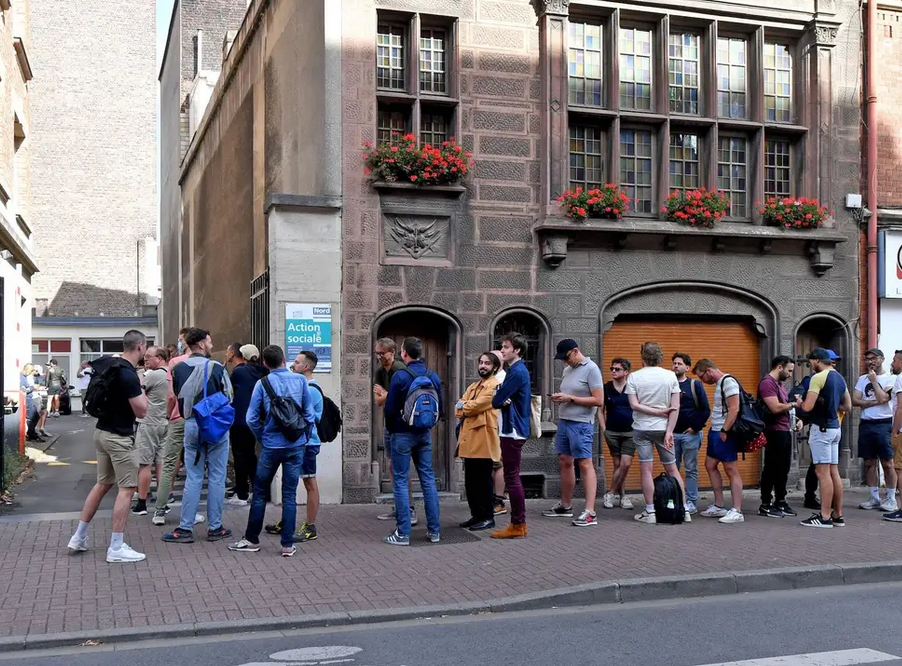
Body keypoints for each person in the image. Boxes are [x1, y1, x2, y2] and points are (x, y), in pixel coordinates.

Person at [66, 330, 148, 563]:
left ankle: (79, 536)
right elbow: (142, 410)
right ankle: (116, 546)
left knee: (103, 483)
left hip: (101, 431)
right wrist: (141, 387)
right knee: (127, 489)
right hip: (120, 437)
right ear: (140, 347)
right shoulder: (129, 375)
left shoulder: (107, 362)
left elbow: (84, 367)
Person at [229, 345, 316, 556]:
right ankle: (287, 544)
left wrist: (263, 437)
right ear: (284, 359)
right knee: (289, 494)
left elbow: (250, 418)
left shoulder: (263, 383)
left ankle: (252, 539)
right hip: (295, 445)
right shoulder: (300, 381)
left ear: (265, 364)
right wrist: (303, 437)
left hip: (271, 445)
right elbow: (309, 414)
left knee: (259, 493)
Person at [162, 328, 234, 544]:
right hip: (215, 426)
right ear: (201, 344)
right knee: (216, 476)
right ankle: (215, 527)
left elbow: (175, 396)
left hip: (191, 424)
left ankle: (185, 528)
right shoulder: (217, 368)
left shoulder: (177, 368)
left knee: (193, 476)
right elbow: (229, 396)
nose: (212, 346)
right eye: (210, 342)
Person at [382, 337, 443, 545]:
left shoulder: (400, 376)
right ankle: (434, 532)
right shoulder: (432, 375)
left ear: (404, 353)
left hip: (401, 434)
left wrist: (393, 429)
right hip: (424, 434)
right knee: (427, 480)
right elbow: (440, 409)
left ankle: (403, 533)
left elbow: (389, 410)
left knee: (400, 481)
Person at [626, 342, 689, 525]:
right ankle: (683, 510)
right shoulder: (670, 376)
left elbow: (634, 405)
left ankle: (650, 511)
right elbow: (675, 407)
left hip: (642, 428)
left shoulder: (634, 377)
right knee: (672, 469)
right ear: (660, 356)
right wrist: (669, 430)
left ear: (642, 356)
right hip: (663, 429)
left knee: (646, 469)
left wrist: (654, 412)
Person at [543, 339, 604, 527]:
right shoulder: (568, 370)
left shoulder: (592, 369)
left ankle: (590, 512)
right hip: (565, 421)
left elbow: (598, 400)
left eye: (567, 357)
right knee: (565, 460)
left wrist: (570, 398)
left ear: (576, 351)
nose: (565, 362)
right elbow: (570, 393)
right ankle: (566, 505)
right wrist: (561, 398)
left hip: (582, 424)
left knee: (585, 463)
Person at [797, 347, 851, 528]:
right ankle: (838, 515)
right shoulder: (840, 377)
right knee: (834, 472)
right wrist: (832, 406)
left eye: (811, 362)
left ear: (817, 361)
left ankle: (825, 516)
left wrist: (799, 402)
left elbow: (807, 407)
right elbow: (848, 406)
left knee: (822, 473)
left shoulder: (817, 378)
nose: (811, 365)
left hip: (821, 429)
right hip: (835, 428)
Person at [152, 328, 201, 526]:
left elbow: (171, 395)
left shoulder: (174, 363)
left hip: (176, 418)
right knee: (193, 466)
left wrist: (168, 413)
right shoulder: (205, 363)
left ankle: (159, 511)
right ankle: (192, 512)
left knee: (169, 464)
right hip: (196, 418)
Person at [692, 359, 744, 524]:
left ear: (708, 370)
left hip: (724, 432)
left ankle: (737, 510)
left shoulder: (728, 382)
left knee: (730, 468)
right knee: (710, 465)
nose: (703, 381)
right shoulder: (720, 383)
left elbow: (734, 408)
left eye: (702, 377)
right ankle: (719, 505)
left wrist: (725, 430)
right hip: (716, 431)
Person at [491, 332, 532, 539]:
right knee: (512, 475)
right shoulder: (516, 371)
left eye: (506, 347)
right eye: (502, 347)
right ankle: (518, 523)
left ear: (516, 350)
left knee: (512, 477)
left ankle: (518, 524)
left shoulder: (516, 372)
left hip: (512, 429)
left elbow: (497, 400)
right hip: (513, 429)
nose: (502, 350)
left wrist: (500, 396)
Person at [456, 352, 502, 531]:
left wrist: (464, 406)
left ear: (495, 367)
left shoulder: (494, 386)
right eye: (481, 363)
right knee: (471, 482)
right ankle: (476, 515)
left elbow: (477, 405)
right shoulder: (474, 386)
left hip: (484, 439)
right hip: (469, 439)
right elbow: (459, 405)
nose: (483, 366)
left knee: (483, 481)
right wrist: (464, 406)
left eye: (487, 363)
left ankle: (487, 517)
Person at [373, 337, 416, 525]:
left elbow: (405, 397)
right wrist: (387, 396)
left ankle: (410, 509)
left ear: (392, 352)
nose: (379, 357)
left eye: (382, 354)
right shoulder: (379, 372)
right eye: (377, 354)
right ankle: (399, 506)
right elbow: (378, 401)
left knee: (401, 468)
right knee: (392, 466)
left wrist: (386, 394)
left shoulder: (400, 370)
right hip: (389, 424)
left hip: (403, 426)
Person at [853, 348, 897, 512]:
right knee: (869, 462)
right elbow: (855, 400)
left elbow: (884, 398)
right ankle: (874, 497)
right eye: (867, 359)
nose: (870, 362)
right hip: (866, 423)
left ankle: (891, 499)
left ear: (882, 359)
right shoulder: (861, 379)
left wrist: (873, 382)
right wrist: (872, 403)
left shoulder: (890, 379)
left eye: (873, 358)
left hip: (884, 423)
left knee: (887, 462)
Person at [227, 343, 268, 506]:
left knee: (239, 456)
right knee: (251, 456)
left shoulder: (239, 372)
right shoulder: (262, 372)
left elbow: (229, 392)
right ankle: (256, 490)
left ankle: (242, 493)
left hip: (239, 419)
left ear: (242, 357)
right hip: (256, 420)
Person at [670, 353, 710, 516]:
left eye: (679, 363)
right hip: (672, 435)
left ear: (687, 368)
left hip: (690, 435)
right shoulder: (668, 385)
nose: (676, 366)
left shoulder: (695, 385)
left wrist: (695, 427)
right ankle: (675, 500)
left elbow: (705, 409)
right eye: (674, 363)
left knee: (690, 468)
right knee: (673, 468)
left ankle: (691, 502)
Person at [132, 346, 170, 516]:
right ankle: (163, 502)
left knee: (144, 464)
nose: (145, 360)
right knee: (161, 464)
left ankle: (141, 503)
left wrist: (140, 376)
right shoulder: (171, 373)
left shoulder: (154, 375)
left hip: (149, 423)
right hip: (165, 422)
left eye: (148, 357)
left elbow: (137, 393)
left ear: (160, 357)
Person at [758, 355, 797, 518]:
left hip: (784, 429)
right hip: (774, 430)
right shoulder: (767, 383)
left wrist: (797, 418)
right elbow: (775, 408)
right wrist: (794, 404)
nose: (790, 374)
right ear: (779, 367)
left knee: (783, 468)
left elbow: (784, 407)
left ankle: (780, 501)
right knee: (772, 467)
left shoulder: (779, 385)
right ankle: (766, 503)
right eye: (789, 370)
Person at [600, 357, 635, 510]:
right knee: (617, 464)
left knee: (625, 464)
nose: (613, 371)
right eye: (612, 369)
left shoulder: (633, 388)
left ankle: (611, 492)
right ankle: (622, 497)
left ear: (626, 372)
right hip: (612, 431)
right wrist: (604, 429)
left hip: (630, 431)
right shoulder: (606, 387)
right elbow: (600, 410)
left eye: (617, 369)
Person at [490, 349, 507, 516]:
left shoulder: (503, 379)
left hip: (498, 426)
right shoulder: (490, 378)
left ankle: (499, 500)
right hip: (488, 426)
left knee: (498, 463)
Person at [886, 351, 902, 522]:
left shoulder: (900, 379)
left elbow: (901, 408)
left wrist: (894, 432)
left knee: (900, 469)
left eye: (895, 360)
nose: (893, 363)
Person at [21, 364, 43, 441]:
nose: (32, 373)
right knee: (32, 416)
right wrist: (33, 387)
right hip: (27, 399)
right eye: (31, 371)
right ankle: (30, 433)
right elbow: (23, 390)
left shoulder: (24, 377)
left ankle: (31, 433)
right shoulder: (22, 378)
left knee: (35, 416)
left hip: (29, 398)